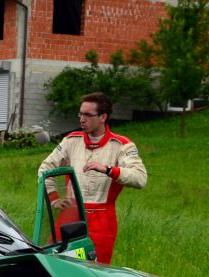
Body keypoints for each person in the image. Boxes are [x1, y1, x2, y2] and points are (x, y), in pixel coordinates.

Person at [38, 92, 147, 264]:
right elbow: (45, 169)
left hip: (102, 219)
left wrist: (108, 169)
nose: (82, 119)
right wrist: (53, 199)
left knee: (96, 271)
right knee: (55, 265)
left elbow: (140, 178)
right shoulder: (71, 141)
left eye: (88, 115)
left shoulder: (122, 145)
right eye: (80, 114)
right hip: (70, 215)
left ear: (103, 117)